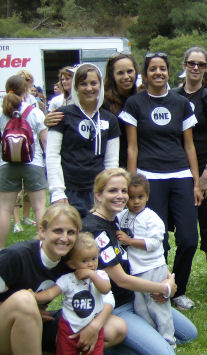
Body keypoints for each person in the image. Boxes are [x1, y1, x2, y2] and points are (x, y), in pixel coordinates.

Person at [83, 168, 198, 354]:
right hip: (116, 306)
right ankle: (114, 343)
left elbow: (147, 251)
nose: (120, 196)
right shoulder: (93, 229)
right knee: (166, 352)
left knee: (188, 334)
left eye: (123, 191)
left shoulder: (118, 219)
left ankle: (129, 342)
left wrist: (166, 276)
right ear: (98, 195)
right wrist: (164, 288)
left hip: (137, 294)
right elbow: (120, 280)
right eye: (113, 191)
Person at [120, 51, 202, 310]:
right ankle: (158, 288)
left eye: (162, 68)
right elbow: (131, 148)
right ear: (145, 74)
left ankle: (178, 289)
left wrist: (196, 182)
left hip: (180, 176)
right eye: (153, 69)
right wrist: (133, 185)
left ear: (169, 72)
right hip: (149, 178)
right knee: (159, 240)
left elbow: (189, 146)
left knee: (189, 239)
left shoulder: (181, 103)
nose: (158, 73)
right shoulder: (134, 103)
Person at [0, 204, 126, 354]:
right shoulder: (16, 256)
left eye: (71, 232)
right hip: (6, 327)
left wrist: (94, 326)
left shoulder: (71, 260)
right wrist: (26, 312)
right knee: (24, 300)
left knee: (116, 327)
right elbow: (23, 305)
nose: (64, 238)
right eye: (57, 231)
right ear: (42, 231)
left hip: (40, 321)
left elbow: (108, 298)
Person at [175, 46, 207, 296]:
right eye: (191, 63)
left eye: (201, 64)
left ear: (206, 68)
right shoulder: (173, 97)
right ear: (184, 64)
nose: (195, 68)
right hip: (178, 170)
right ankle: (172, 275)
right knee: (180, 226)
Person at [46, 63, 120, 218]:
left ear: (100, 85)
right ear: (75, 87)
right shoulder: (61, 115)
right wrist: (58, 192)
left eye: (93, 83)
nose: (89, 88)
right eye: (83, 84)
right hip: (69, 191)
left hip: (98, 193)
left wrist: (110, 191)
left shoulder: (110, 120)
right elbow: (52, 155)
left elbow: (111, 162)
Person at [116, 173, 175, 347]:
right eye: (131, 197)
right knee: (141, 308)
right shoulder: (124, 216)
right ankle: (153, 338)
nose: (135, 201)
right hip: (135, 270)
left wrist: (129, 241)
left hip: (153, 267)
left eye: (140, 197)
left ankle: (168, 341)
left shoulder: (152, 218)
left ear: (147, 196)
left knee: (157, 305)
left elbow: (155, 242)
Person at [35, 232, 113, 355]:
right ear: (72, 264)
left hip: (92, 326)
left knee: (95, 352)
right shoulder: (68, 279)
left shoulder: (100, 275)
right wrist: (33, 297)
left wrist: (92, 275)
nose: (91, 264)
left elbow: (105, 289)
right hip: (68, 328)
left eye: (94, 258)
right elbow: (50, 293)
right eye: (84, 261)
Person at [0, 75, 48, 248]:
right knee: (39, 207)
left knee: (4, 209)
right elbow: (45, 141)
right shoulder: (34, 112)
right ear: (26, 90)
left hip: (7, 164)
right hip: (33, 163)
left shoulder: (2, 113)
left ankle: (0, 250)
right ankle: (44, 247)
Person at [104, 52, 139, 168]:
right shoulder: (103, 103)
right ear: (112, 75)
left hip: (141, 163)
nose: (126, 77)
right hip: (114, 163)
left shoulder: (142, 98)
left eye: (129, 71)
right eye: (120, 73)